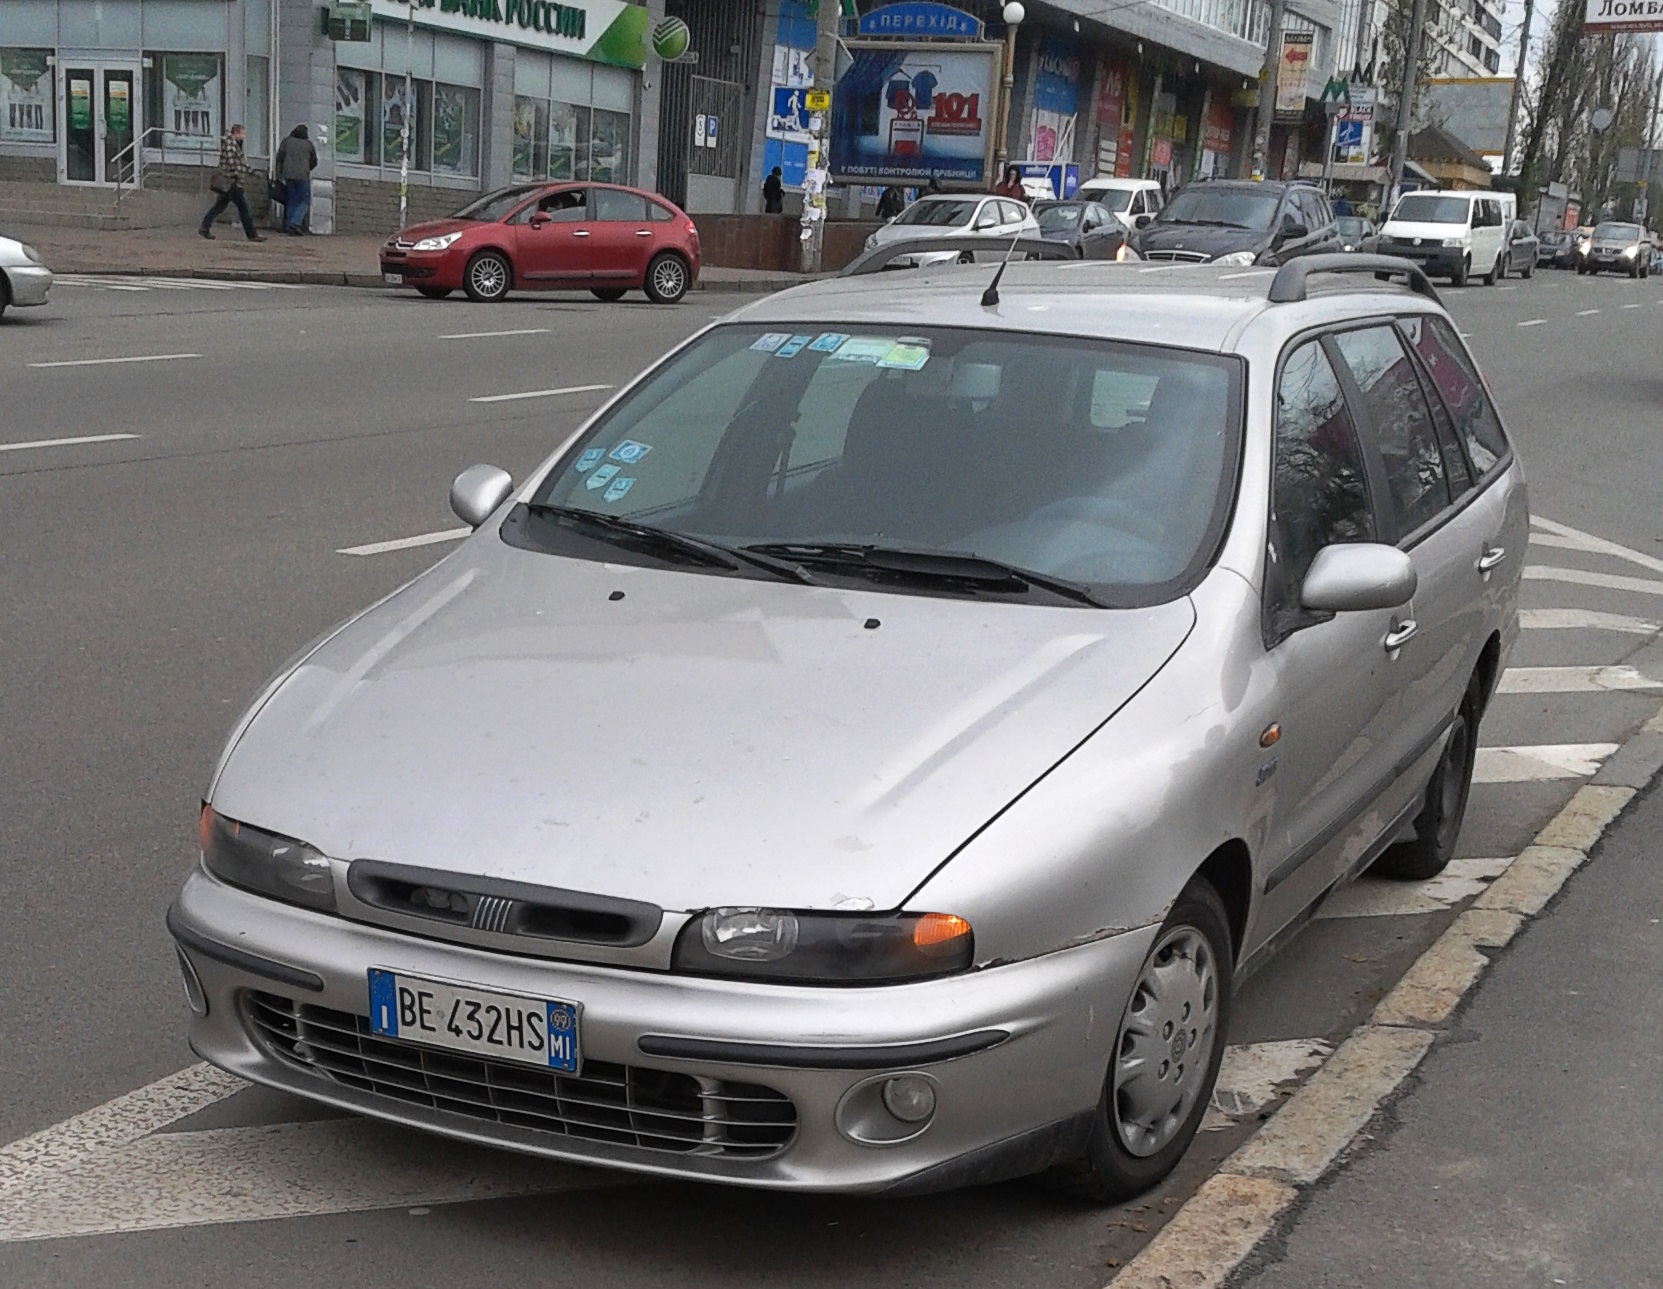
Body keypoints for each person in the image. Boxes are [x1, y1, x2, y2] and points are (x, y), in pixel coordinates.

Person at [198, 123, 264, 242]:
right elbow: (232, 163)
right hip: (232, 182)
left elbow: (241, 164)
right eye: (242, 133)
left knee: (219, 207)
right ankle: (252, 235)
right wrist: (237, 175)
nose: (243, 136)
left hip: (231, 182)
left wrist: (253, 172)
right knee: (244, 208)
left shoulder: (235, 145)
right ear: (236, 133)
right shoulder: (230, 145)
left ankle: (204, 227)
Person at [273, 124, 317, 236]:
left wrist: (279, 174)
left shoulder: (286, 142)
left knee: (291, 199)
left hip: (288, 175)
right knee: (305, 201)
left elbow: (279, 158)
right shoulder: (309, 144)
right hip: (303, 176)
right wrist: (307, 168)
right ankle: (295, 222)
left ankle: (288, 225)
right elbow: (314, 161)